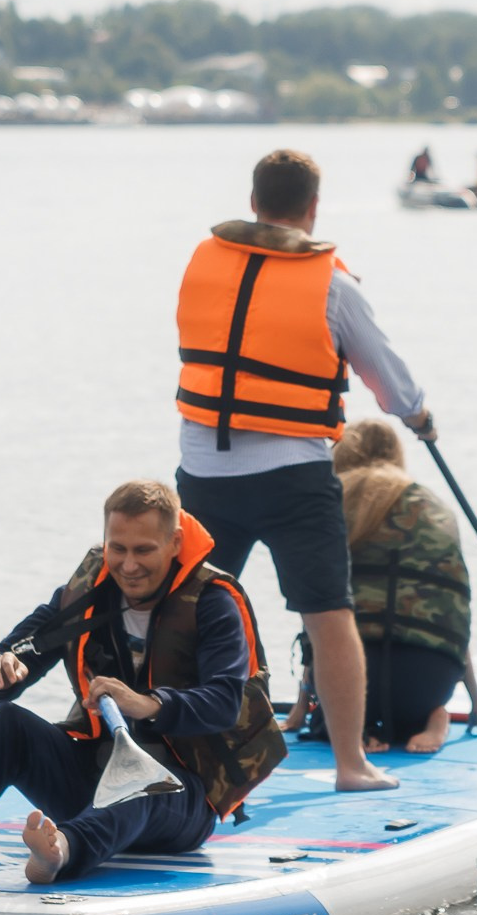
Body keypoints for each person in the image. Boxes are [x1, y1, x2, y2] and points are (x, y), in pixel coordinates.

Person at [0, 480, 286, 884]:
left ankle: (61, 851)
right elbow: (7, 654)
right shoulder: (90, 590)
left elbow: (224, 702)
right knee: (10, 723)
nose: (128, 565)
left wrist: (147, 703)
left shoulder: (214, 602)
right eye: (117, 548)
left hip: (182, 798)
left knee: (143, 780)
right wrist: (1, 667)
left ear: (174, 543)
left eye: (144, 550)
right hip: (94, 778)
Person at [173, 148, 434, 793]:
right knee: (327, 613)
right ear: (313, 210)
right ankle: (351, 765)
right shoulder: (334, 287)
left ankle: (172, 758)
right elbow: (387, 378)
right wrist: (419, 416)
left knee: (185, 612)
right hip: (293, 477)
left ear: (254, 201)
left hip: (204, 469)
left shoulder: (203, 264)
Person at [288, 419, 477, 754]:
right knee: (413, 712)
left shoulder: (332, 502)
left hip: (350, 679)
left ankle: (362, 730)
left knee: (327, 721)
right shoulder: (432, 506)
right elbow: (453, 615)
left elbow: (318, 621)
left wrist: (299, 710)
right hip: (426, 680)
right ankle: (434, 717)